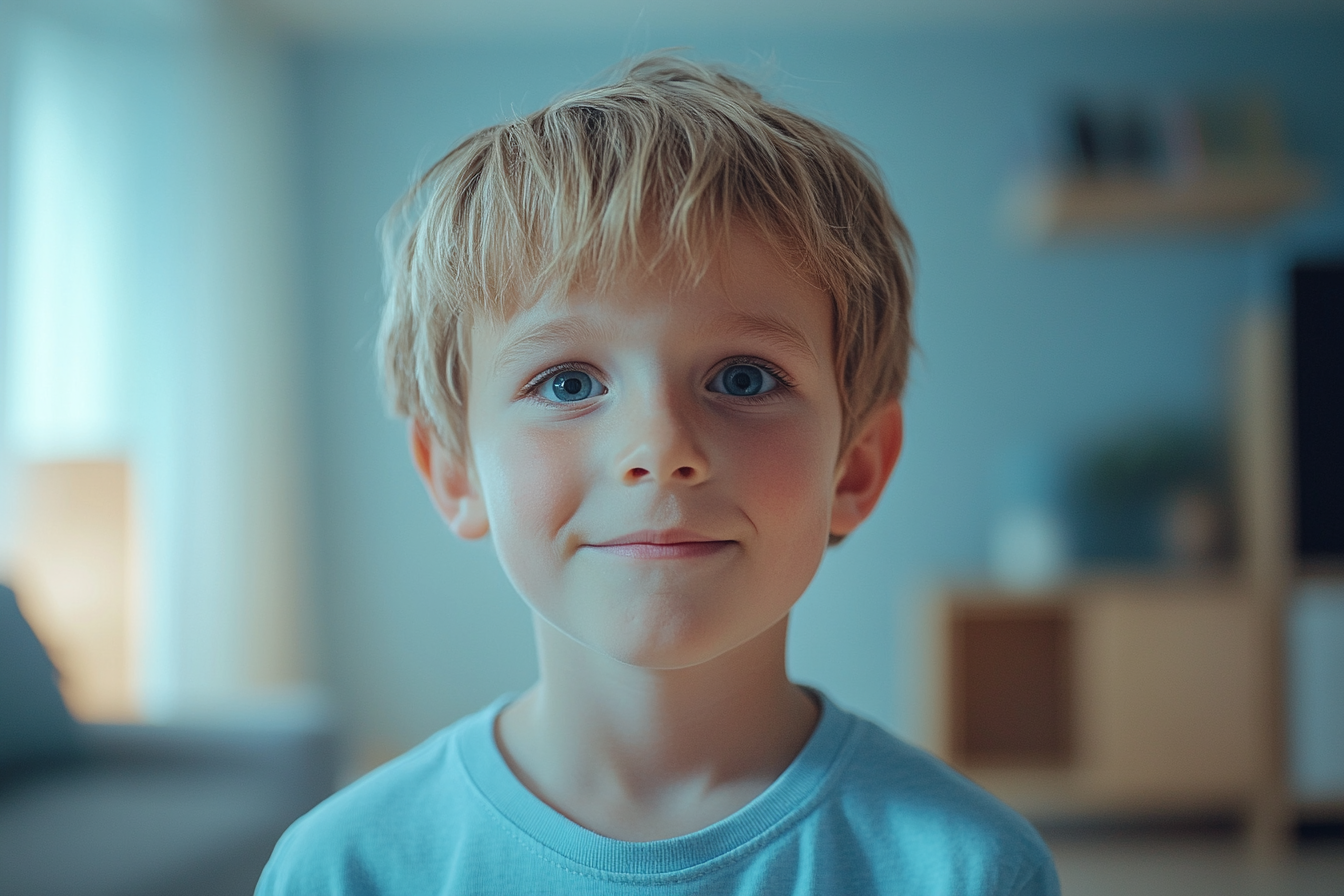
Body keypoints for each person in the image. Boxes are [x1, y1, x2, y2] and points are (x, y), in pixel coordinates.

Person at [256, 54, 1059, 895]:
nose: (660, 445)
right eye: (568, 383)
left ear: (855, 469)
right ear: (455, 472)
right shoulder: (345, 869)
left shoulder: (967, 871)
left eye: (743, 378)